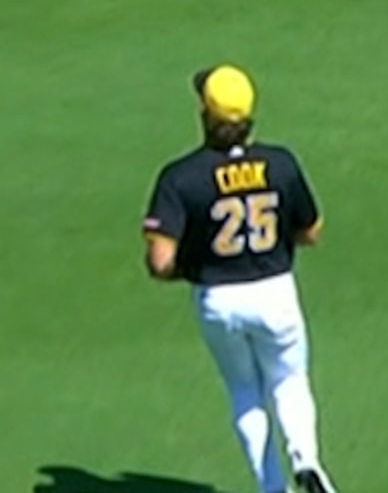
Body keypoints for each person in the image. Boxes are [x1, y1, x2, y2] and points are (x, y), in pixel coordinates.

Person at [142, 66, 341, 493]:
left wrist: (197, 266)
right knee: (289, 381)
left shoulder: (180, 177)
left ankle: (272, 488)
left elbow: (160, 262)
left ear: (204, 114)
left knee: (244, 389)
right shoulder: (280, 163)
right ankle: (306, 460)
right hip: (275, 291)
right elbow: (311, 232)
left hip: (218, 299)